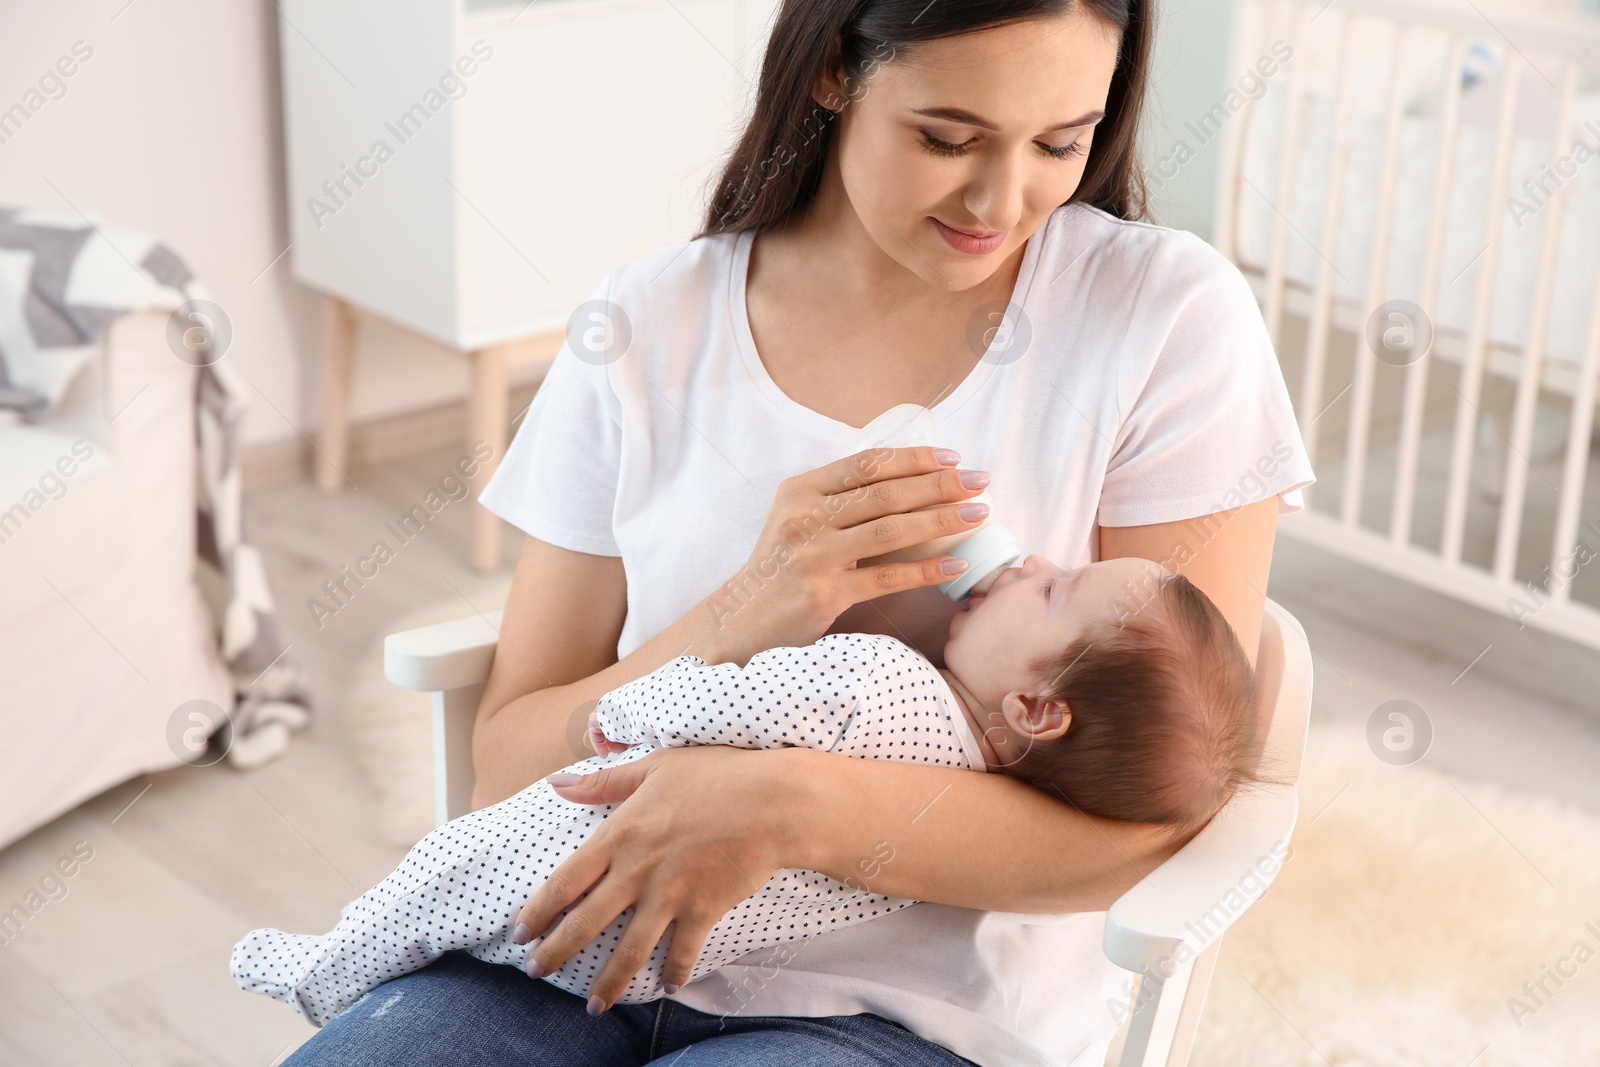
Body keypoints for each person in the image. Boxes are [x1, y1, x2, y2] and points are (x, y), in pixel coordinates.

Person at [282, 0, 1315, 1062]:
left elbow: (1165, 808)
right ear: (831, 71)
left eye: (1062, 141)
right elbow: (505, 761)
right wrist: (744, 607)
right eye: (945, 137)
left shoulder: (1161, 317)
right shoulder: (646, 325)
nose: (1004, 198)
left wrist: (783, 806)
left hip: (906, 1012)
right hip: (573, 944)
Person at [235, 555, 1262, 1028]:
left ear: (1039, 707)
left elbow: (731, 696)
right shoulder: (962, 778)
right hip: (646, 958)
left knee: (441, 882)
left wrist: (637, 720)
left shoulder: (877, 678)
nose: (1033, 560)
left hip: (600, 889)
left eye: (1053, 590)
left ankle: (330, 958)